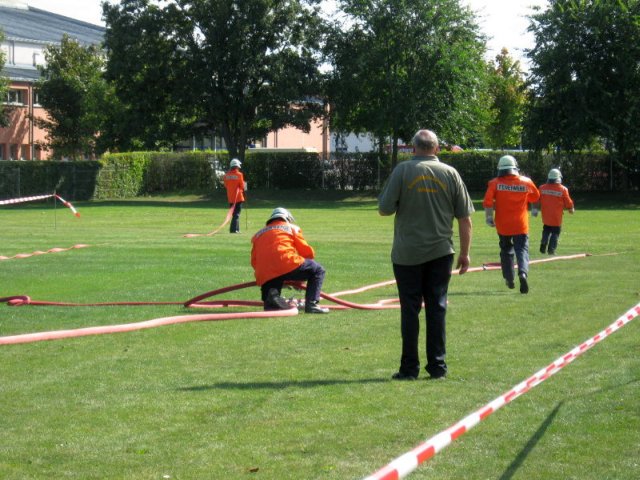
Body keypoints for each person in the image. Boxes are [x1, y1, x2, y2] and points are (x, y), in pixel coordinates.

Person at [378, 129, 474, 381]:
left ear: (413, 148)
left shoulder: (402, 171)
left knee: (409, 310)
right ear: (437, 148)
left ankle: (409, 368)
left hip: (407, 253)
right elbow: (465, 219)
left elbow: (384, 210)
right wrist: (465, 254)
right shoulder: (451, 173)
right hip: (441, 252)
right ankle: (438, 367)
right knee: (437, 308)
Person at [251, 207, 329, 314]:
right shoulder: (291, 227)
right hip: (287, 262)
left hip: (264, 272)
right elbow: (307, 253)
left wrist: (277, 276)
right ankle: (311, 304)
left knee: (270, 305)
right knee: (318, 270)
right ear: (287, 218)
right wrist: (298, 276)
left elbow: (254, 261)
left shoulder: (258, 234)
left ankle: (272, 298)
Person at [483, 155, 540, 294]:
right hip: (521, 225)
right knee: (522, 250)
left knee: (506, 250)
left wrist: (489, 217)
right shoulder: (526, 182)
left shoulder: (494, 183)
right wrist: (534, 210)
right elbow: (535, 197)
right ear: (515, 167)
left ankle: (509, 278)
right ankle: (523, 273)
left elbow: (488, 202)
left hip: (503, 225)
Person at [533, 168, 575, 255]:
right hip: (556, 216)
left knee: (546, 229)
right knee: (556, 232)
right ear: (559, 178)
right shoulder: (563, 189)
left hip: (546, 215)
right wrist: (571, 209)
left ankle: (543, 244)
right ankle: (551, 250)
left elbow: (536, 200)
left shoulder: (542, 188)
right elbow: (568, 201)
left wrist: (535, 210)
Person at [223, 158, 246, 233]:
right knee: (237, 214)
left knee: (234, 214)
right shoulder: (239, 175)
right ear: (237, 166)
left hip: (230, 198)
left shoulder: (226, 175)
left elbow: (226, 185)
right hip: (238, 197)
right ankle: (234, 230)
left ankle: (236, 229)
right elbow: (242, 186)